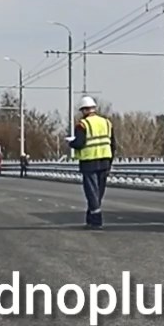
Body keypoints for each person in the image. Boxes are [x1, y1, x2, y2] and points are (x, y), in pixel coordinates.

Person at [67, 95, 116, 228]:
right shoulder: (107, 123)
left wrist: (71, 143)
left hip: (89, 162)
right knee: (98, 192)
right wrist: (110, 161)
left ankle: (96, 220)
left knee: (91, 192)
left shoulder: (82, 125)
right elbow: (113, 144)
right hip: (105, 160)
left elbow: (79, 143)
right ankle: (90, 219)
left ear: (83, 110)